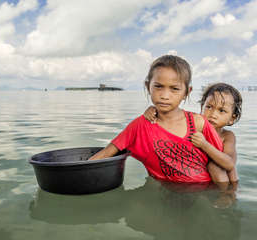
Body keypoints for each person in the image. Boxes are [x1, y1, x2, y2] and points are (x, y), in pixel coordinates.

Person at [89, 55, 223, 185]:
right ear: (148, 87)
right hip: (167, 193)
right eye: (158, 86)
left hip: (204, 190)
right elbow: (106, 153)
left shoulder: (198, 123)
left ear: (187, 92)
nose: (165, 96)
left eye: (174, 89)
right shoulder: (139, 126)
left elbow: (223, 163)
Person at [144, 82, 242, 192]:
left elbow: (229, 165)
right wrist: (155, 111)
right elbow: (174, 118)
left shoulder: (227, 136)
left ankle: (228, 194)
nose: (213, 114)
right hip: (194, 176)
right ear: (202, 107)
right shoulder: (195, 124)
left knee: (215, 167)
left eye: (221, 110)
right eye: (209, 107)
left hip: (222, 179)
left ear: (232, 119)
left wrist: (204, 145)